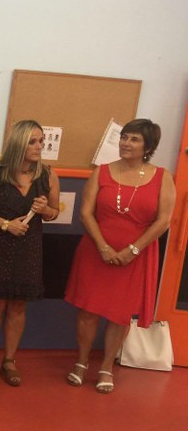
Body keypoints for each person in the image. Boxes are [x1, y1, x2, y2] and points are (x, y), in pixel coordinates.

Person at [65, 118, 175, 393]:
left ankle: (106, 367)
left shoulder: (163, 177)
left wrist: (132, 250)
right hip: (95, 251)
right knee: (88, 311)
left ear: (148, 146)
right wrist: (103, 247)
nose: (126, 143)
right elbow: (86, 213)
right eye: (124, 137)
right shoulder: (101, 172)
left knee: (120, 314)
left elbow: (163, 220)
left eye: (134, 139)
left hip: (136, 257)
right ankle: (81, 362)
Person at [0, 120, 60, 386]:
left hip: (28, 248)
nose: (39, 146)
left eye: (41, 141)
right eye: (33, 142)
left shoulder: (48, 175)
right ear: (19, 143)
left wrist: (45, 210)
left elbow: (54, 212)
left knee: (18, 305)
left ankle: (9, 360)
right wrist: (7, 225)